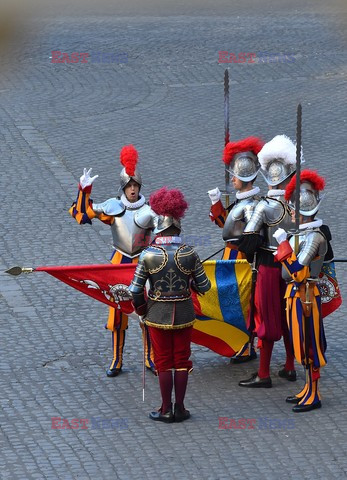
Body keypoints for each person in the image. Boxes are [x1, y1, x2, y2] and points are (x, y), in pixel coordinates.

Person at [69, 145, 156, 377]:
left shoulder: (150, 209)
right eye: (129, 186)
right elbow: (81, 214)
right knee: (117, 312)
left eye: (136, 186)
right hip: (118, 263)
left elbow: (165, 231)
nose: (133, 190)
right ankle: (116, 359)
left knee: (146, 311)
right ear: (123, 188)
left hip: (142, 263)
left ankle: (150, 357)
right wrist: (84, 189)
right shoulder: (113, 207)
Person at [129, 187, 211, 423]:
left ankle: (166, 408)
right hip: (184, 313)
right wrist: (192, 284)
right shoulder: (190, 253)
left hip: (156, 313)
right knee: (182, 360)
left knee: (163, 361)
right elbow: (204, 287)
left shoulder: (148, 254)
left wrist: (142, 310)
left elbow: (135, 290)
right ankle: (181, 408)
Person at [238, 135, 299, 387]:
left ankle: (263, 373)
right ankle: (289, 366)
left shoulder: (263, 206)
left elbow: (247, 242)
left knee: (267, 318)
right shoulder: (299, 204)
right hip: (295, 267)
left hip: (269, 267)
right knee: (289, 317)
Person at [273, 170, 327, 412]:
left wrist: (284, 245)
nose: (291, 213)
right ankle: (307, 388)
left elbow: (298, 271)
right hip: (295, 295)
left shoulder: (314, 237)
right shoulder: (304, 234)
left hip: (306, 295)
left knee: (309, 345)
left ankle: (314, 393)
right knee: (300, 344)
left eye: (294, 209)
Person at [208, 136, 264, 363]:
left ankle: (247, 345)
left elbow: (250, 235)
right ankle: (240, 342)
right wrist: (216, 203)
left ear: (244, 178)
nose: (232, 179)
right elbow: (226, 223)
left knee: (243, 302)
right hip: (230, 256)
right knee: (232, 301)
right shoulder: (242, 201)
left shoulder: (251, 205)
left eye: (235, 176)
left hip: (242, 257)